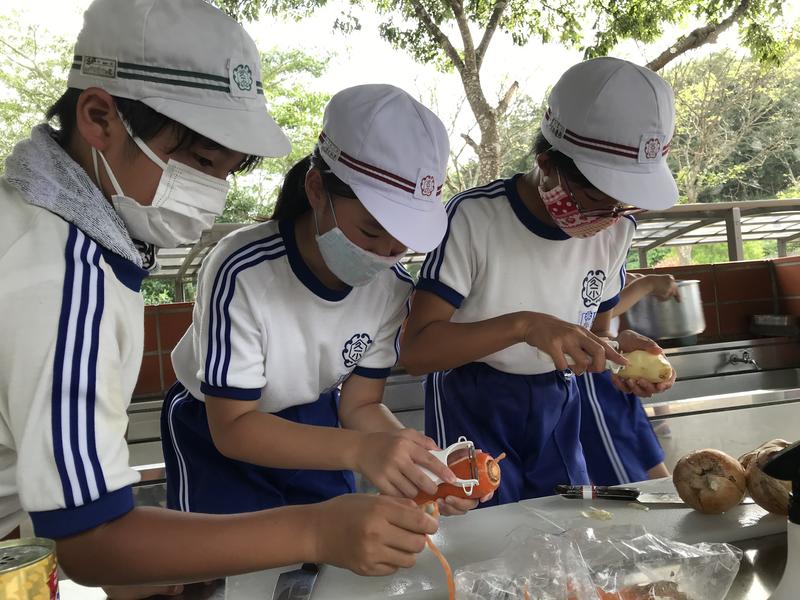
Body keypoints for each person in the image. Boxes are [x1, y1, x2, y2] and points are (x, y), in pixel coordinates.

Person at [0, 1, 438, 595]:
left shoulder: (53, 236)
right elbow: (91, 541)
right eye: (201, 163)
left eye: (227, 172)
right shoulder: (63, 281)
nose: (212, 195)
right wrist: (315, 528)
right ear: (99, 117)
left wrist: (401, 457)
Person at [161, 84, 484, 521]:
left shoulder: (390, 288)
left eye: (403, 241)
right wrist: (362, 449)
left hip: (315, 419)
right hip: (219, 425)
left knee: (329, 555)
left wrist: (421, 466)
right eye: (371, 231)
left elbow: (360, 405)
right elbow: (234, 427)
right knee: (234, 567)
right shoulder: (242, 269)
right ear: (317, 188)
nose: (386, 253)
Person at [400, 57, 679, 507]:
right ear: (546, 163)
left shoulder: (615, 230)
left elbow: (597, 334)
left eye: (625, 206)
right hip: (473, 398)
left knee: (566, 525)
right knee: (486, 540)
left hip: (557, 402)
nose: (608, 219)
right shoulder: (474, 218)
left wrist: (619, 359)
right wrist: (524, 325)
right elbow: (416, 352)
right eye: (596, 199)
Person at [577, 272, 680, 485]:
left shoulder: (605, 246)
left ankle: (676, 501)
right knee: (626, 476)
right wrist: (647, 285)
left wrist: (630, 281)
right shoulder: (582, 242)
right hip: (589, 373)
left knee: (647, 457)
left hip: (612, 361)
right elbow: (589, 314)